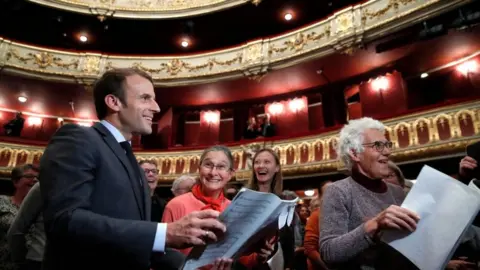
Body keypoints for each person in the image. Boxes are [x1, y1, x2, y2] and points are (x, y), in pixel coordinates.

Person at [39, 68, 227, 270]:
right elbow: (65, 221)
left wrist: (195, 267)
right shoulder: (78, 139)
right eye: (145, 98)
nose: (155, 107)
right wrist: (164, 233)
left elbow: (138, 245)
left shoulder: (131, 161)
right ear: (114, 102)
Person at [320, 117, 420, 269]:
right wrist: (375, 225)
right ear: (355, 153)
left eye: (387, 145)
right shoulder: (338, 191)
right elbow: (329, 252)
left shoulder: (397, 192)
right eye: (378, 145)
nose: (387, 151)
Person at [162, 145, 272, 269]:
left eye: (221, 167)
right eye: (208, 165)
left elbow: (242, 258)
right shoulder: (176, 205)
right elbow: (164, 256)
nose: (213, 172)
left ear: (230, 174)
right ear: (199, 169)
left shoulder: (234, 207)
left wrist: (259, 256)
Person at [247, 148, 295, 270]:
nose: (260, 165)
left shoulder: (285, 203)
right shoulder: (244, 200)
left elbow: (288, 243)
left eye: (267, 162)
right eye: (257, 162)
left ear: (277, 168)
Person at [0, 164, 38, 270]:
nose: (35, 180)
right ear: (16, 182)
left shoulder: (42, 210)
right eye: (30, 176)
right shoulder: (2, 202)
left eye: (38, 178)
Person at [7, 182, 45, 270]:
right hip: (38, 260)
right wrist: (21, 262)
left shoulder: (43, 186)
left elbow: (14, 232)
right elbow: (15, 233)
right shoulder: (43, 186)